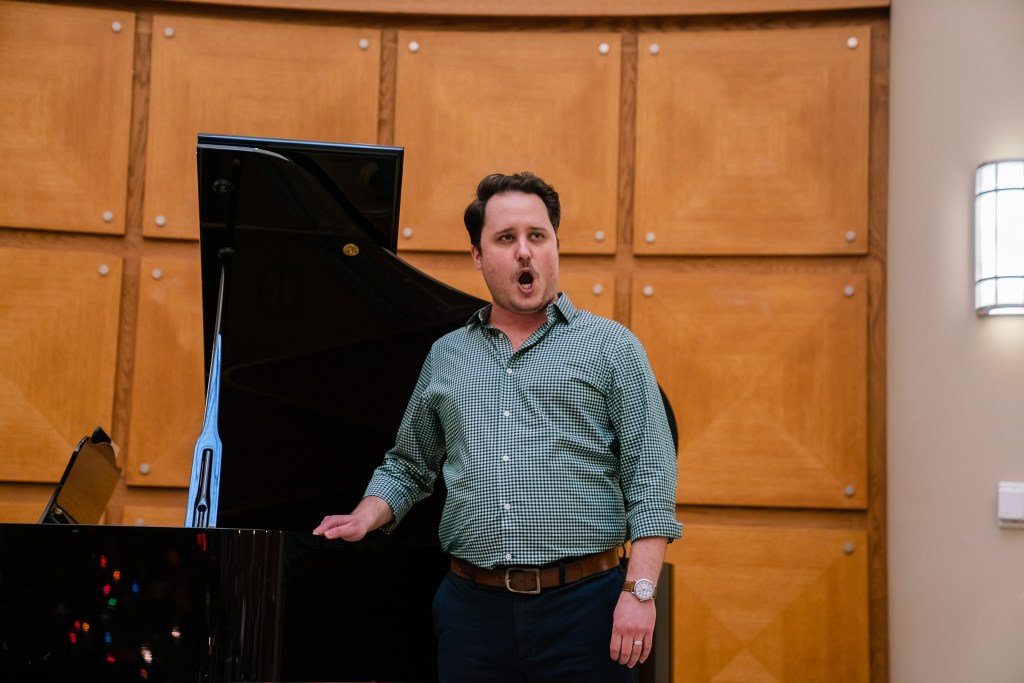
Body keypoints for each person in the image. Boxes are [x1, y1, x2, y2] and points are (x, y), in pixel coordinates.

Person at [314, 171, 682, 682]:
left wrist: (639, 594)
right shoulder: (446, 355)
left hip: (587, 611)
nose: (524, 251)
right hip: (471, 616)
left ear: (555, 245)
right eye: (506, 238)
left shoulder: (612, 348)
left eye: (538, 236)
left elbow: (652, 478)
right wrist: (364, 515)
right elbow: (409, 466)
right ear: (478, 255)